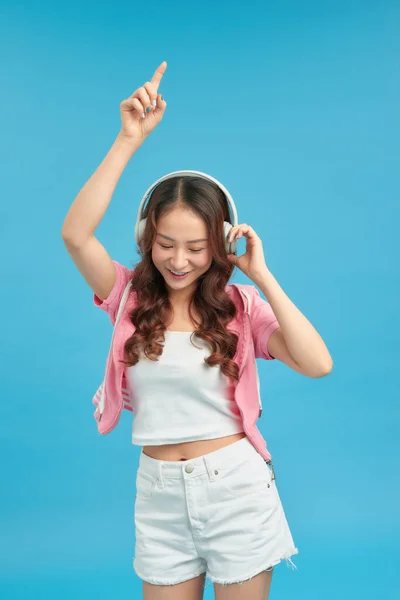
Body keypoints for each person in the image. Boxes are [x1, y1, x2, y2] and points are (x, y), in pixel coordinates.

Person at [61, 61, 333, 600]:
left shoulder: (241, 306)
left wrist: (261, 275)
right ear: (146, 237)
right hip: (158, 493)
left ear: (220, 243)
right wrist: (127, 139)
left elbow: (317, 363)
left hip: (235, 489)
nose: (179, 260)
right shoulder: (127, 298)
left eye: (196, 246)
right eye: (166, 244)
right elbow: (75, 234)